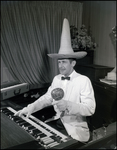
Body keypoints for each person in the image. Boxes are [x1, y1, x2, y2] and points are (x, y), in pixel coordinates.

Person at [14, 18, 96, 142]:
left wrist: (68, 105)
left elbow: (90, 109)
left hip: (75, 129)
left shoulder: (84, 80)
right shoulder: (56, 78)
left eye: (64, 62)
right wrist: (28, 108)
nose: (60, 66)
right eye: (59, 62)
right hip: (57, 121)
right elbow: (47, 98)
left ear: (73, 63)